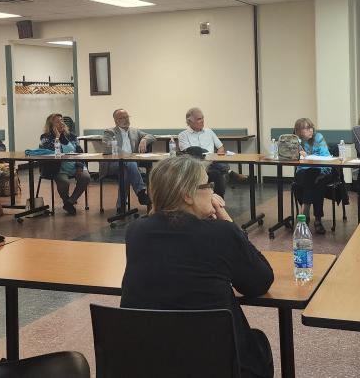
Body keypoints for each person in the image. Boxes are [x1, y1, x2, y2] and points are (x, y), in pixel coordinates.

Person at [121, 156, 274, 378]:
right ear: (187, 194)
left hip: (149, 363)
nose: (213, 192)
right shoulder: (221, 233)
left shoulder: (135, 232)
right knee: (257, 342)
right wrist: (226, 220)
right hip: (215, 364)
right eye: (207, 185)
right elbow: (260, 281)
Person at [102, 109, 154, 212]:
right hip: (114, 164)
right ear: (116, 121)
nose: (126, 120)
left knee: (125, 172)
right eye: (122, 118)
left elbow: (152, 137)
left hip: (130, 165)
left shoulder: (135, 131)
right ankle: (141, 192)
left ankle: (120, 207)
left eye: (127, 117)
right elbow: (107, 147)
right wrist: (127, 155)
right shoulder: (110, 132)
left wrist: (144, 139)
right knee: (129, 162)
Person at [39, 113, 90, 215]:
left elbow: (80, 152)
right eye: (57, 121)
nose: (61, 123)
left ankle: (70, 202)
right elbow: (49, 151)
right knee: (64, 182)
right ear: (51, 125)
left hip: (75, 165)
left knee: (86, 177)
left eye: (61, 120)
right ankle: (66, 200)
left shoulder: (72, 136)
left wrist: (79, 166)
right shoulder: (45, 137)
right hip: (58, 167)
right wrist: (57, 137)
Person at [178, 107, 231, 198]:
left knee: (216, 173)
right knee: (196, 150)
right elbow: (190, 153)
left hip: (211, 164)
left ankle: (218, 203)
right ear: (190, 121)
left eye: (202, 118)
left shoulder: (209, 131)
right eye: (199, 119)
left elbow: (221, 147)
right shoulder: (183, 135)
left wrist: (216, 156)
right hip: (196, 167)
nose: (202, 121)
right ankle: (229, 171)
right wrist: (206, 154)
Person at [292, 118, 330, 235]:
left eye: (311, 127)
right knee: (312, 177)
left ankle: (305, 216)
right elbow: (287, 157)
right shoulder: (295, 141)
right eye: (306, 128)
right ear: (299, 131)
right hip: (303, 173)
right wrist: (297, 154)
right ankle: (317, 219)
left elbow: (326, 156)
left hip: (321, 171)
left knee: (316, 178)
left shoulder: (318, 137)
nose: (310, 130)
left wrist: (309, 157)